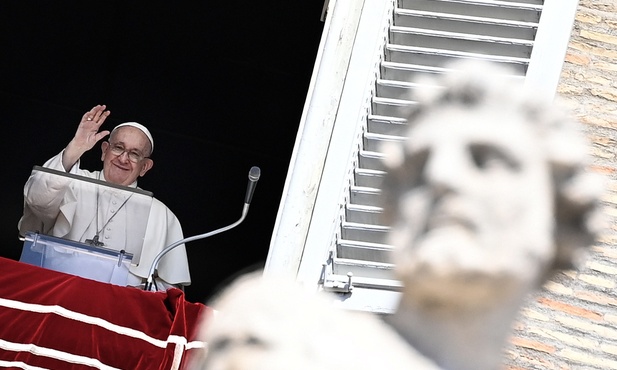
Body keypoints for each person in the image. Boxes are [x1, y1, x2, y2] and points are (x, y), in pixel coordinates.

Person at [188, 61, 604, 370]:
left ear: (560, 221)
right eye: (418, 166)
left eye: (486, 160)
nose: (441, 177)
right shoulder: (280, 334)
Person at [18, 104, 191, 289]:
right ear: (104, 150)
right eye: (118, 148)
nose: (123, 159)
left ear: (145, 167)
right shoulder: (73, 182)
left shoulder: (161, 215)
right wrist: (76, 146)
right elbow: (37, 199)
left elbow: (170, 289)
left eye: (134, 154)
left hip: (116, 310)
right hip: (56, 293)